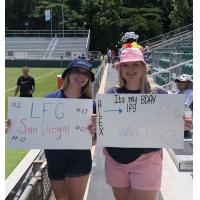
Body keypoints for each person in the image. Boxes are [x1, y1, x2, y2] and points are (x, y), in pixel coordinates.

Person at [102, 47, 192, 200]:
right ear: (120, 68)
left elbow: (176, 128)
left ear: (143, 67)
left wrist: (182, 126)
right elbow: (105, 128)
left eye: (135, 64)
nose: (130, 69)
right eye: (126, 65)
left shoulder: (160, 96)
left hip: (147, 159)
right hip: (115, 159)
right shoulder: (111, 95)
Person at [7, 59, 96, 200]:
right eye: (76, 71)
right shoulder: (49, 99)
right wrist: (14, 126)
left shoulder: (91, 105)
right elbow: (35, 127)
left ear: (89, 79)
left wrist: (94, 132)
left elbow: (93, 141)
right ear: (67, 74)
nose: (81, 76)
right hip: (54, 160)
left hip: (78, 160)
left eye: (85, 74)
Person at [175, 74, 193, 138]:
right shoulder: (178, 92)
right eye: (178, 81)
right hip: (177, 119)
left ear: (188, 83)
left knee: (185, 141)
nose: (180, 83)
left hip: (184, 120)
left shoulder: (190, 92)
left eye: (182, 82)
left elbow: (184, 107)